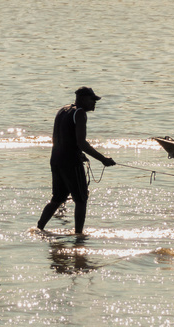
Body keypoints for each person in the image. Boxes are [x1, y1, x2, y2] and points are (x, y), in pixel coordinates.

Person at [37, 86, 116, 235]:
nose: (94, 103)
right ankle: (79, 235)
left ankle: (39, 228)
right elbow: (82, 143)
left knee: (58, 198)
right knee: (81, 199)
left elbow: (62, 138)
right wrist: (102, 159)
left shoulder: (63, 110)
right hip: (70, 162)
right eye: (92, 99)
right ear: (82, 99)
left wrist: (78, 153)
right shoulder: (79, 113)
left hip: (56, 160)